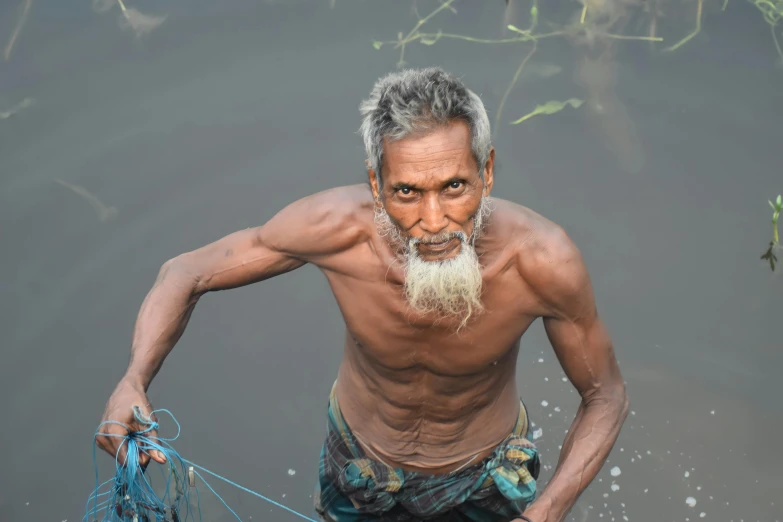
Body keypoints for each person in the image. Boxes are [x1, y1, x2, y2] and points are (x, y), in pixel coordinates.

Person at [96, 67, 629, 522]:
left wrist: (548, 510)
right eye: (407, 193)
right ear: (376, 184)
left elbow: (605, 396)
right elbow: (186, 272)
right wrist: (132, 379)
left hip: (485, 475)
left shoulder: (541, 261)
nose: (435, 221)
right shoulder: (335, 230)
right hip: (359, 463)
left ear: (486, 172)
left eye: (454, 187)